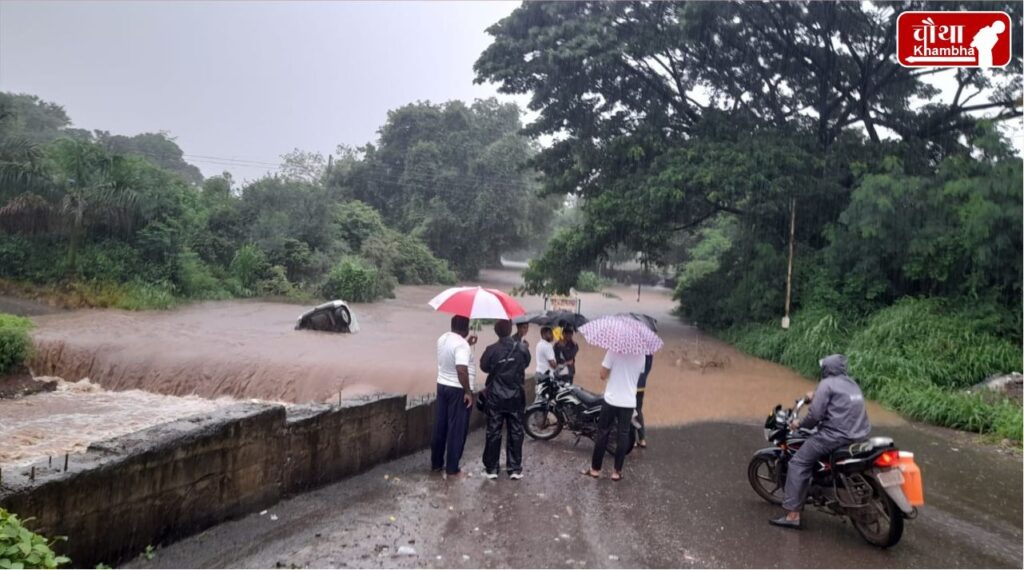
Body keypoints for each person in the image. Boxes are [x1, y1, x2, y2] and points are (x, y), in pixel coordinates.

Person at [770, 354, 871, 529]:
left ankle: (792, 515)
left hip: (835, 436)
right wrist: (815, 395)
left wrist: (798, 423)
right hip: (859, 434)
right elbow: (839, 399)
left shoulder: (826, 384)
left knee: (798, 463)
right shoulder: (851, 383)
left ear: (826, 369)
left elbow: (815, 416)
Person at [479, 319, 531, 480]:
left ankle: (492, 468)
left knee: (493, 430)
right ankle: (514, 469)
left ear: (496, 331)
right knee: (516, 431)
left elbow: (484, 367)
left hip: (495, 397)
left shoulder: (491, 350)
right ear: (510, 330)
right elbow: (526, 364)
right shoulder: (522, 349)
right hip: (515, 396)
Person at [584, 349, 645, 482]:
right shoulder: (642, 355)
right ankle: (617, 472)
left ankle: (595, 470)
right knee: (623, 434)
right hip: (628, 402)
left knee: (603, 433)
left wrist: (614, 371)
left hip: (611, 400)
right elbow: (638, 374)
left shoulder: (613, 351)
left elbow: (602, 375)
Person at [431, 315, 477, 478]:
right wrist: (467, 392)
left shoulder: (443, 338)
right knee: (456, 429)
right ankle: (452, 468)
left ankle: (436, 464)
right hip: (457, 390)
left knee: (440, 426)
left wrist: (467, 343)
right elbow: (461, 369)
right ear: (466, 328)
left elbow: (451, 355)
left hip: (442, 385)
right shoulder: (461, 345)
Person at [635, 354, 653, 448]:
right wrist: (643, 376)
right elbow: (649, 367)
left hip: (631, 383)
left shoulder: (631, 346)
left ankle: (632, 438)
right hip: (641, 385)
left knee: (629, 410)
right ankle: (642, 439)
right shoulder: (648, 349)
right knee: (638, 410)